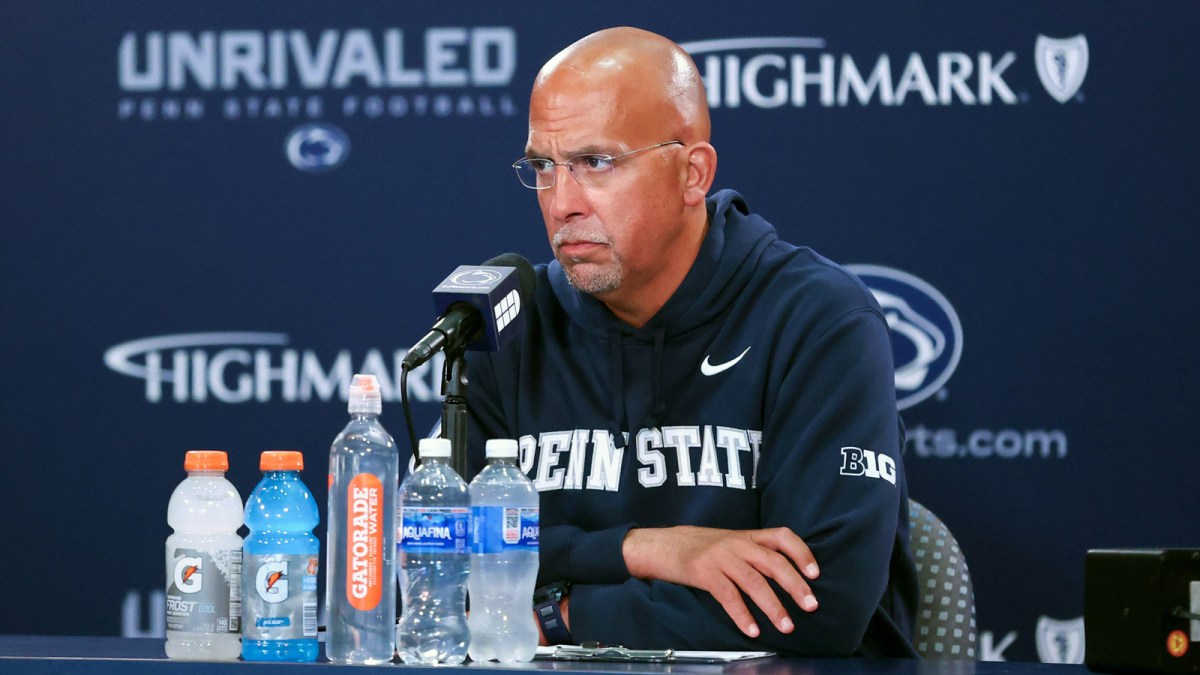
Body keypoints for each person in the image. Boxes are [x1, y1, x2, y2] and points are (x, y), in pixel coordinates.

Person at [464, 26, 918, 657]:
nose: (561, 202)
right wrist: (646, 548)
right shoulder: (511, 323)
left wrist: (565, 614)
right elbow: (446, 576)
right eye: (544, 166)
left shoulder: (817, 319)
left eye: (597, 163)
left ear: (692, 174)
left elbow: (817, 607)